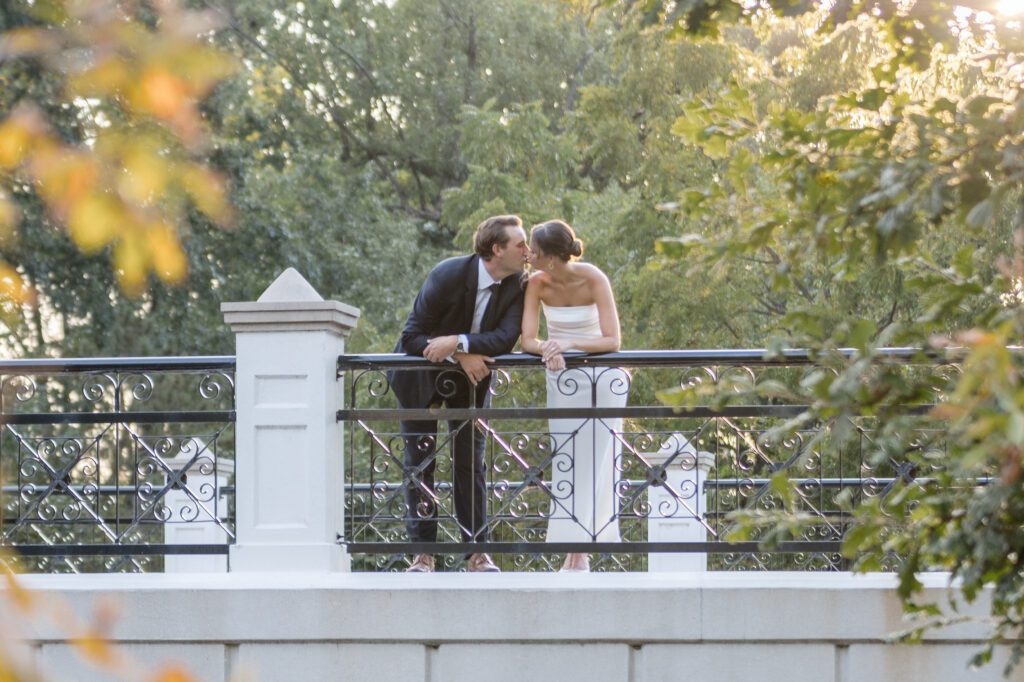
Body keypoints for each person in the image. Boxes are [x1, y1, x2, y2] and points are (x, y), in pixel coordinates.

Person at [391, 214, 529, 573]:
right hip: (420, 377)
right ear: (497, 249)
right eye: (520, 244)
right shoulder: (448, 274)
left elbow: (505, 339)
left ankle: (477, 553)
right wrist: (460, 353)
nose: (527, 251)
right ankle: (423, 554)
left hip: (471, 381)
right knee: (419, 463)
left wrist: (459, 342)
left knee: (471, 462)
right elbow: (411, 337)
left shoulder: (518, 284)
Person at [520, 220, 626, 573]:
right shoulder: (536, 283)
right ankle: (572, 547)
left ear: (550, 257)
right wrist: (548, 348)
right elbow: (528, 340)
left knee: (598, 461)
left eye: (534, 250)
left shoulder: (593, 277)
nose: (528, 254)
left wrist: (568, 343)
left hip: (603, 380)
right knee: (566, 459)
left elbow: (612, 340)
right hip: (563, 378)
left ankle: (582, 551)